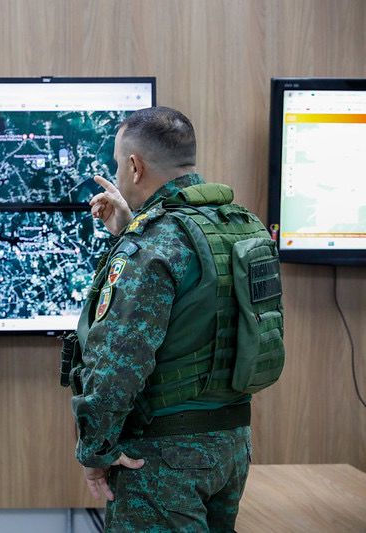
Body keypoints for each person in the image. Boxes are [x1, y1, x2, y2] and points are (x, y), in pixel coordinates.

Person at [64, 107, 284, 531]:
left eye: (117, 163)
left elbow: (118, 363)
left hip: (163, 459)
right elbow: (199, 312)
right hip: (231, 447)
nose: (118, 173)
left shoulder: (153, 244)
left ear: (134, 166)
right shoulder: (242, 225)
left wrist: (95, 450)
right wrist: (130, 230)